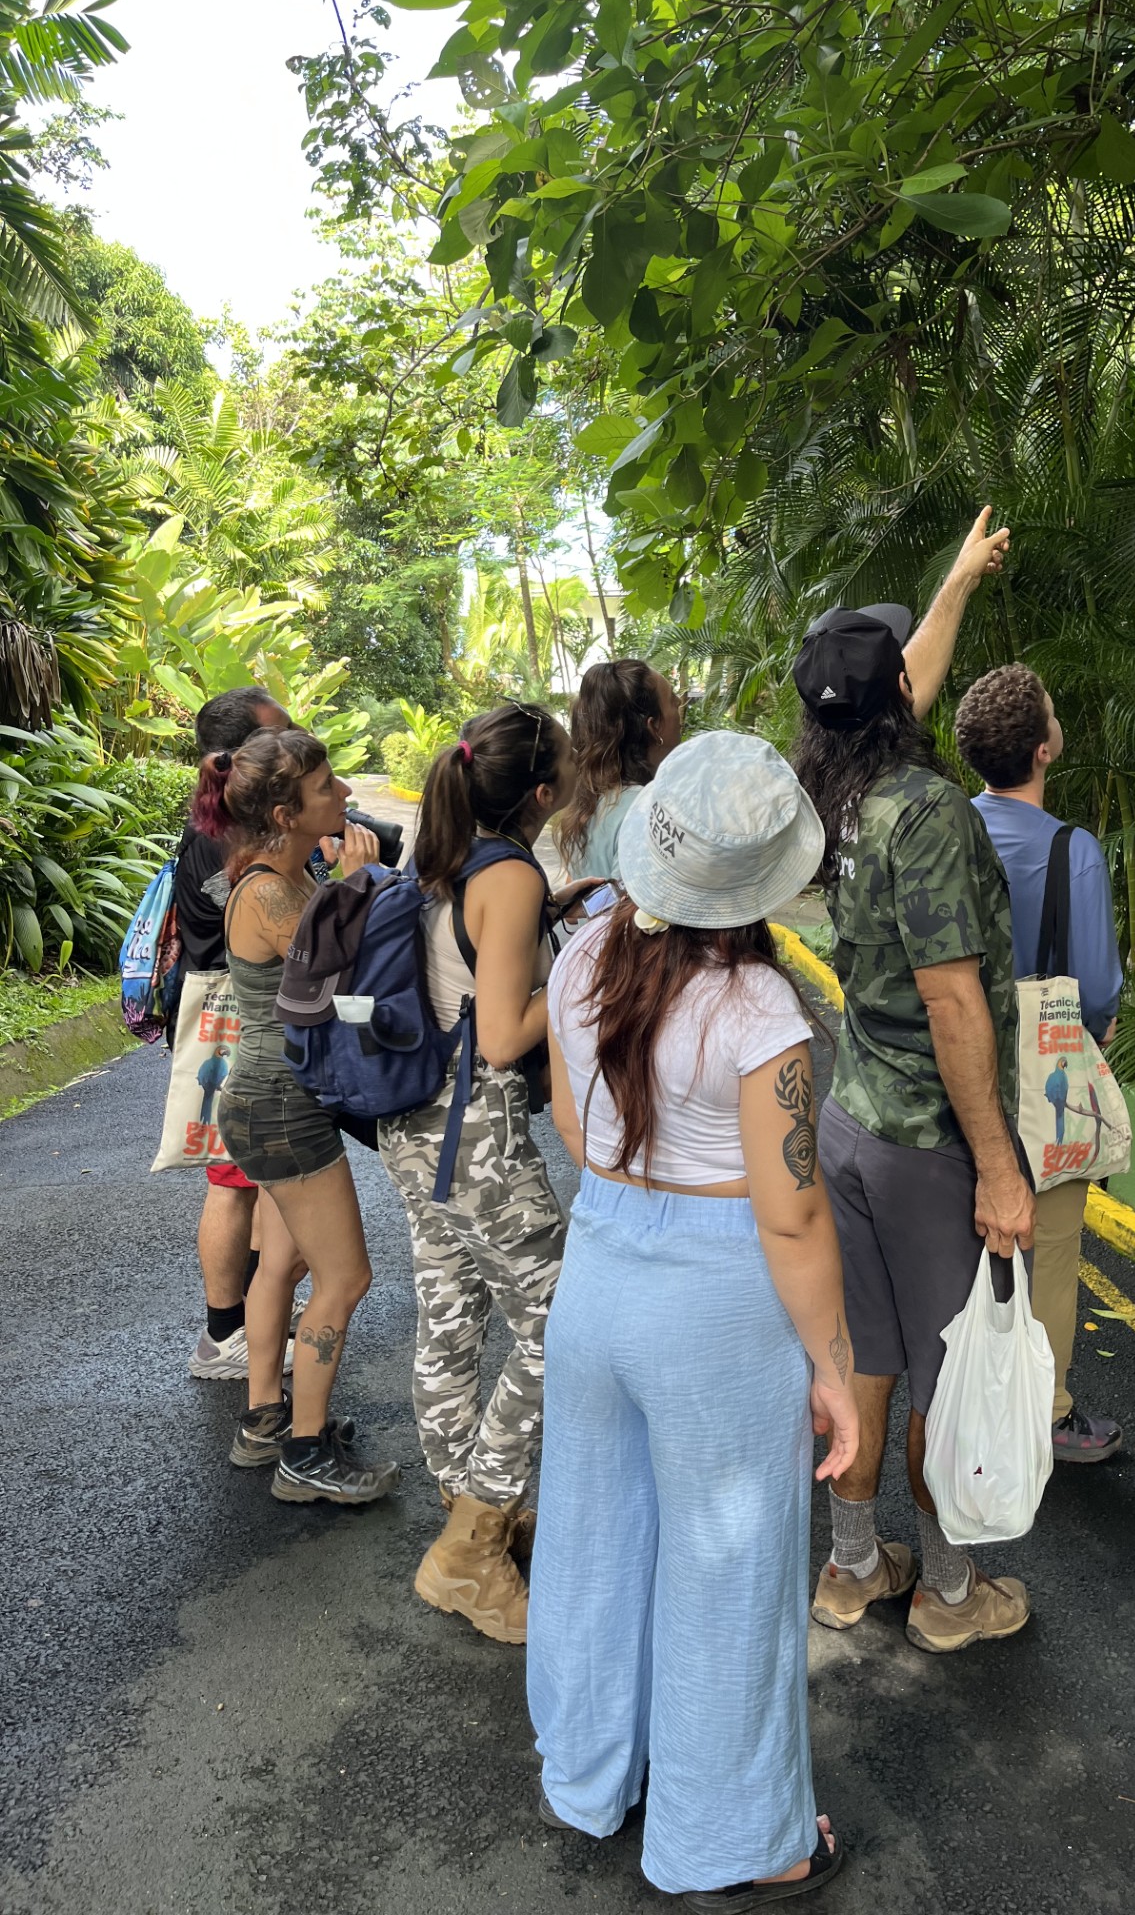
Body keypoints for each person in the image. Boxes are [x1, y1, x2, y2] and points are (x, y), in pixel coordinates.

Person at [529, 731, 860, 1910]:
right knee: (734, 1569)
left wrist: (647, 1189)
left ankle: (592, 1773)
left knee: (596, 1538)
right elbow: (793, 1219)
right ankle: (738, 1836)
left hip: (602, 1273)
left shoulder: (582, 964)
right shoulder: (759, 1005)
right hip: (720, 1308)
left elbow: (575, 1136)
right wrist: (832, 1366)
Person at [790, 507, 1038, 1656]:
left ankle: (852, 1571)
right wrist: (995, 1165)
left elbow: (903, 681)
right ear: (896, 699)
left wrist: (954, 585)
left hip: (849, 1122)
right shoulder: (927, 812)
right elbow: (953, 999)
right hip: (927, 1144)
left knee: (868, 1354)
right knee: (945, 1369)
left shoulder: (829, 797)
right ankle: (947, 1593)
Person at [378, 701, 593, 1644]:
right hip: (474, 1133)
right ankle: (474, 1536)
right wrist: (582, 962)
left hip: (414, 1123)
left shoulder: (442, 851)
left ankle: (472, 1516)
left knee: (451, 1314)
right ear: (543, 794)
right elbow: (504, 1035)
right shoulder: (506, 875)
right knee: (565, 1323)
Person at [194, 725, 398, 1504]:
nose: (345, 796)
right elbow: (345, 983)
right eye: (326, 788)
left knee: (282, 1263)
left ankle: (265, 1422)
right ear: (284, 813)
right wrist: (360, 887)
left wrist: (342, 885)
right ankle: (306, 1453)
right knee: (347, 1278)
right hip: (280, 1105)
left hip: (269, 1100)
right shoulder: (272, 893)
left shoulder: (286, 876)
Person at [957, 662, 1125, 1463]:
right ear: (1043, 751)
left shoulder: (946, 827)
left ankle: (956, 1399)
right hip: (1043, 1073)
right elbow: (1094, 987)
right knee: (1051, 1244)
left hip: (951, 1064)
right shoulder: (1073, 850)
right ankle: (1048, 1413)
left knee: (959, 1236)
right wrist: (1098, 1025)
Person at [174, 687, 291, 1381]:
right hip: (232, 1023)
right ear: (236, 757)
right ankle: (223, 1335)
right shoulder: (220, 839)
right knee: (234, 1178)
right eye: (276, 739)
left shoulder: (226, 823)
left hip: (241, 1018)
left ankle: (251, 1313)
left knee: (253, 1177)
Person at [553, 659, 684, 881]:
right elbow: (628, 908)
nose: (680, 702)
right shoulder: (645, 809)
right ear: (653, 727)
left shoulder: (593, 797)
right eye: (672, 700)